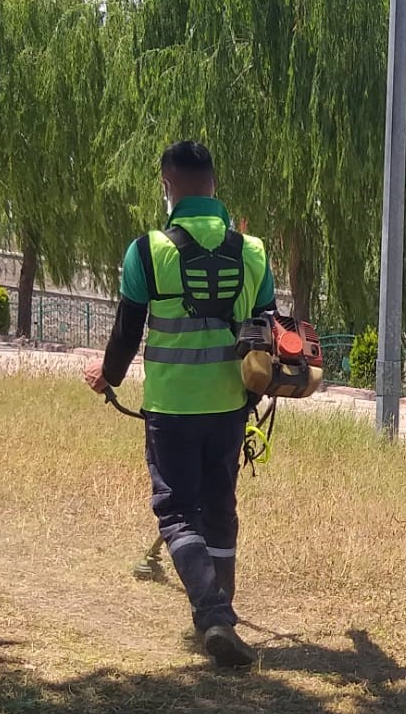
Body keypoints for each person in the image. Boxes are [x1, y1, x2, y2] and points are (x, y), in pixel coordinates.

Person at [84, 140, 277, 667]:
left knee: (175, 513)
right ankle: (223, 610)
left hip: (170, 408)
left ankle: (214, 616)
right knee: (219, 507)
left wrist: (108, 376)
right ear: (214, 185)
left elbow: (127, 331)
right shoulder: (253, 251)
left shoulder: (146, 250)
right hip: (230, 406)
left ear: (167, 187)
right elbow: (268, 330)